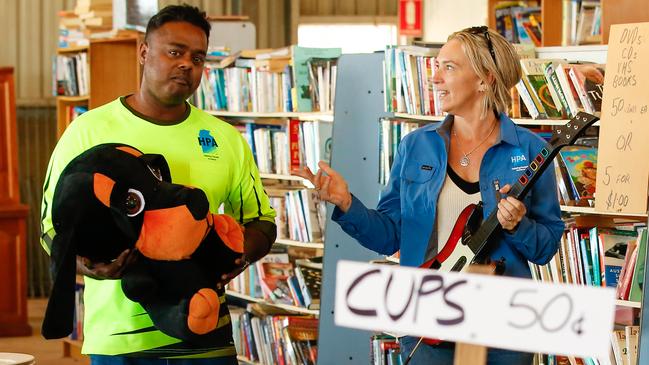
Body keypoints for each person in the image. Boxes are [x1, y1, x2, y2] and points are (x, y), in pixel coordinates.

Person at [293, 26, 564, 365]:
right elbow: (391, 235)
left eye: (448, 67)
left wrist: (517, 226)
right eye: (436, 66)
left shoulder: (532, 151)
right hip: (428, 323)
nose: (434, 78)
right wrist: (346, 203)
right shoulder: (415, 146)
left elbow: (546, 247)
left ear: (485, 79)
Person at [40, 5, 276, 364]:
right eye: (175, 51)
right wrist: (87, 266)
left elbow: (262, 221)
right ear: (144, 51)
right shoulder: (87, 131)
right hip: (120, 341)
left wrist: (237, 254)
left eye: (197, 58)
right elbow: (50, 229)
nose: (186, 64)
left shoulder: (225, 139)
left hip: (205, 334)